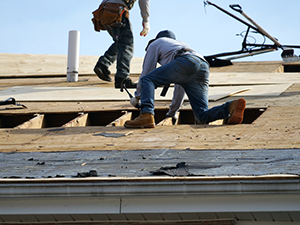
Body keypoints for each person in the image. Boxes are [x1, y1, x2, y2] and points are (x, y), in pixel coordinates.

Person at [124, 30, 246, 128]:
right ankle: (229, 107)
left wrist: (137, 97)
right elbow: (179, 90)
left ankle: (146, 114)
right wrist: (172, 113)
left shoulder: (156, 43)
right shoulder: (180, 45)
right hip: (202, 65)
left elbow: (147, 73)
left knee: (147, 80)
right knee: (201, 116)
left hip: (185, 61)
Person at [93, 0, 150, 88]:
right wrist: (146, 21)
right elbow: (144, 1)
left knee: (121, 42)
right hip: (118, 10)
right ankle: (122, 78)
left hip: (104, 11)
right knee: (126, 45)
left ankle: (103, 64)